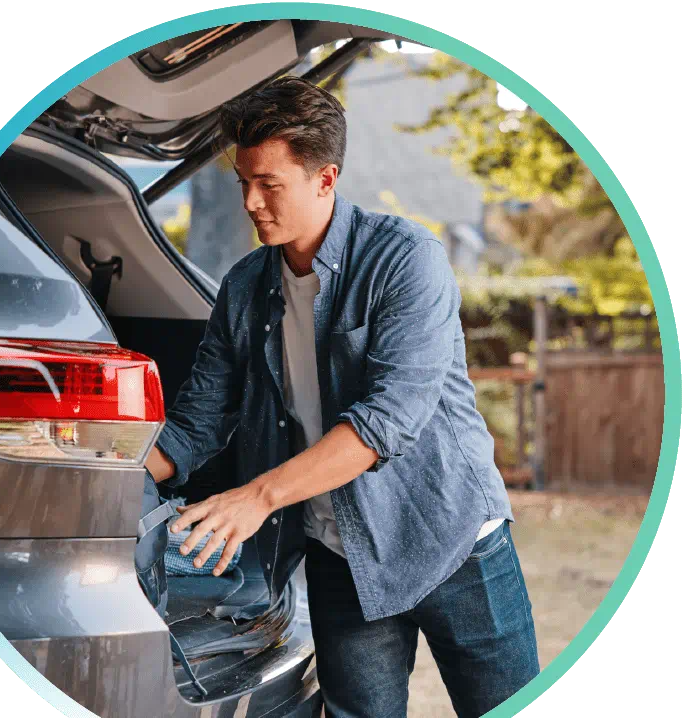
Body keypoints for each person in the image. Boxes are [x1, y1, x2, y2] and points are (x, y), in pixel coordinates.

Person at [145, 76, 540, 718]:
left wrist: (257, 496)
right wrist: (112, 482)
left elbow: (389, 419)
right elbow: (196, 422)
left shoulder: (406, 259)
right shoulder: (244, 287)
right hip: (340, 553)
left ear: (325, 179)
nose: (250, 201)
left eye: (269, 184)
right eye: (242, 181)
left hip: (451, 538)